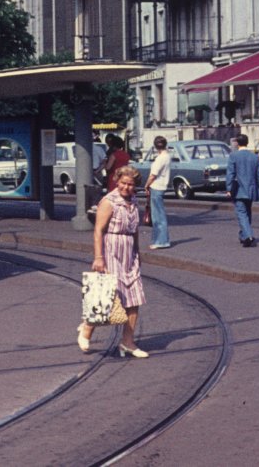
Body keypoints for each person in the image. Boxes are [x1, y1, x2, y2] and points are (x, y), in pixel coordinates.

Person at [77, 165, 149, 358]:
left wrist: (138, 252)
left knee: (134, 299)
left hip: (129, 251)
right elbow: (98, 230)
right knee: (107, 295)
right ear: (117, 181)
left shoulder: (133, 201)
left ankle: (127, 342)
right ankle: (87, 326)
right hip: (111, 249)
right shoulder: (108, 201)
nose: (126, 187)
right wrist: (98, 257)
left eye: (130, 184)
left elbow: (134, 230)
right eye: (123, 183)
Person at [226, 133, 259, 247]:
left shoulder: (233, 156)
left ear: (237, 143)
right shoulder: (255, 157)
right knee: (247, 213)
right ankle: (243, 236)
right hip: (251, 190)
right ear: (247, 143)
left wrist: (228, 188)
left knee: (241, 213)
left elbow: (230, 173)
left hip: (238, 190)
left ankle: (248, 236)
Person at [144, 135, 172, 250]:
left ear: (155, 146)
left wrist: (146, 185)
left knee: (157, 216)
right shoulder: (167, 156)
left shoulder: (160, 158)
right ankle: (160, 240)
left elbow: (153, 175)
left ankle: (161, 241)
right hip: (162, 186)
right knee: (158, 215)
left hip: (156, 187)